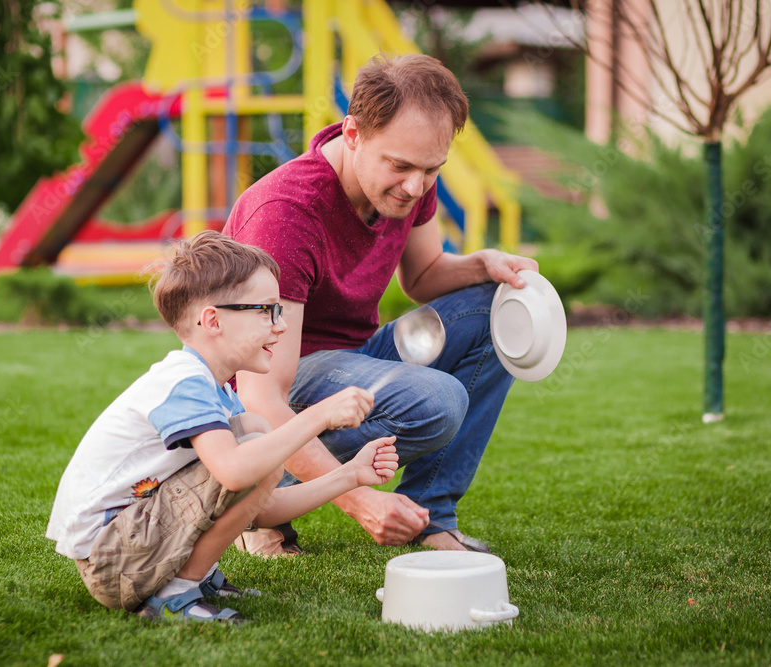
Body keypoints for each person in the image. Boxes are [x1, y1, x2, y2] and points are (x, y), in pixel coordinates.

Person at [224, 53, 538, 555]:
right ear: (352, 134)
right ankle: (260, 493)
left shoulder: (405, 185)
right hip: (264, 388)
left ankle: (428, 516)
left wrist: (485, 265)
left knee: (494, 312)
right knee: (437, 401)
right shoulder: (286, 214)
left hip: (352, 357)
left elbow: (424, 275)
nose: (415, 187)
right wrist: (361, 498)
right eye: (401, 166)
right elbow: (259, 396)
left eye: (432, 169)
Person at [45, 230, 398, 623]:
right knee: (254, 447)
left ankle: (190, 577)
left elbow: (262, 509)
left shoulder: (215, 391)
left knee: (255, 430)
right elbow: (236, 472)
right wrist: (318, 415)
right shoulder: (183, 382)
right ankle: (175, 592)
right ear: (212, 320)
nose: (279, 326)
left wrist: (350, 474)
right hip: (114, 561)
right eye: (266, 310)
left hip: (134, 549)